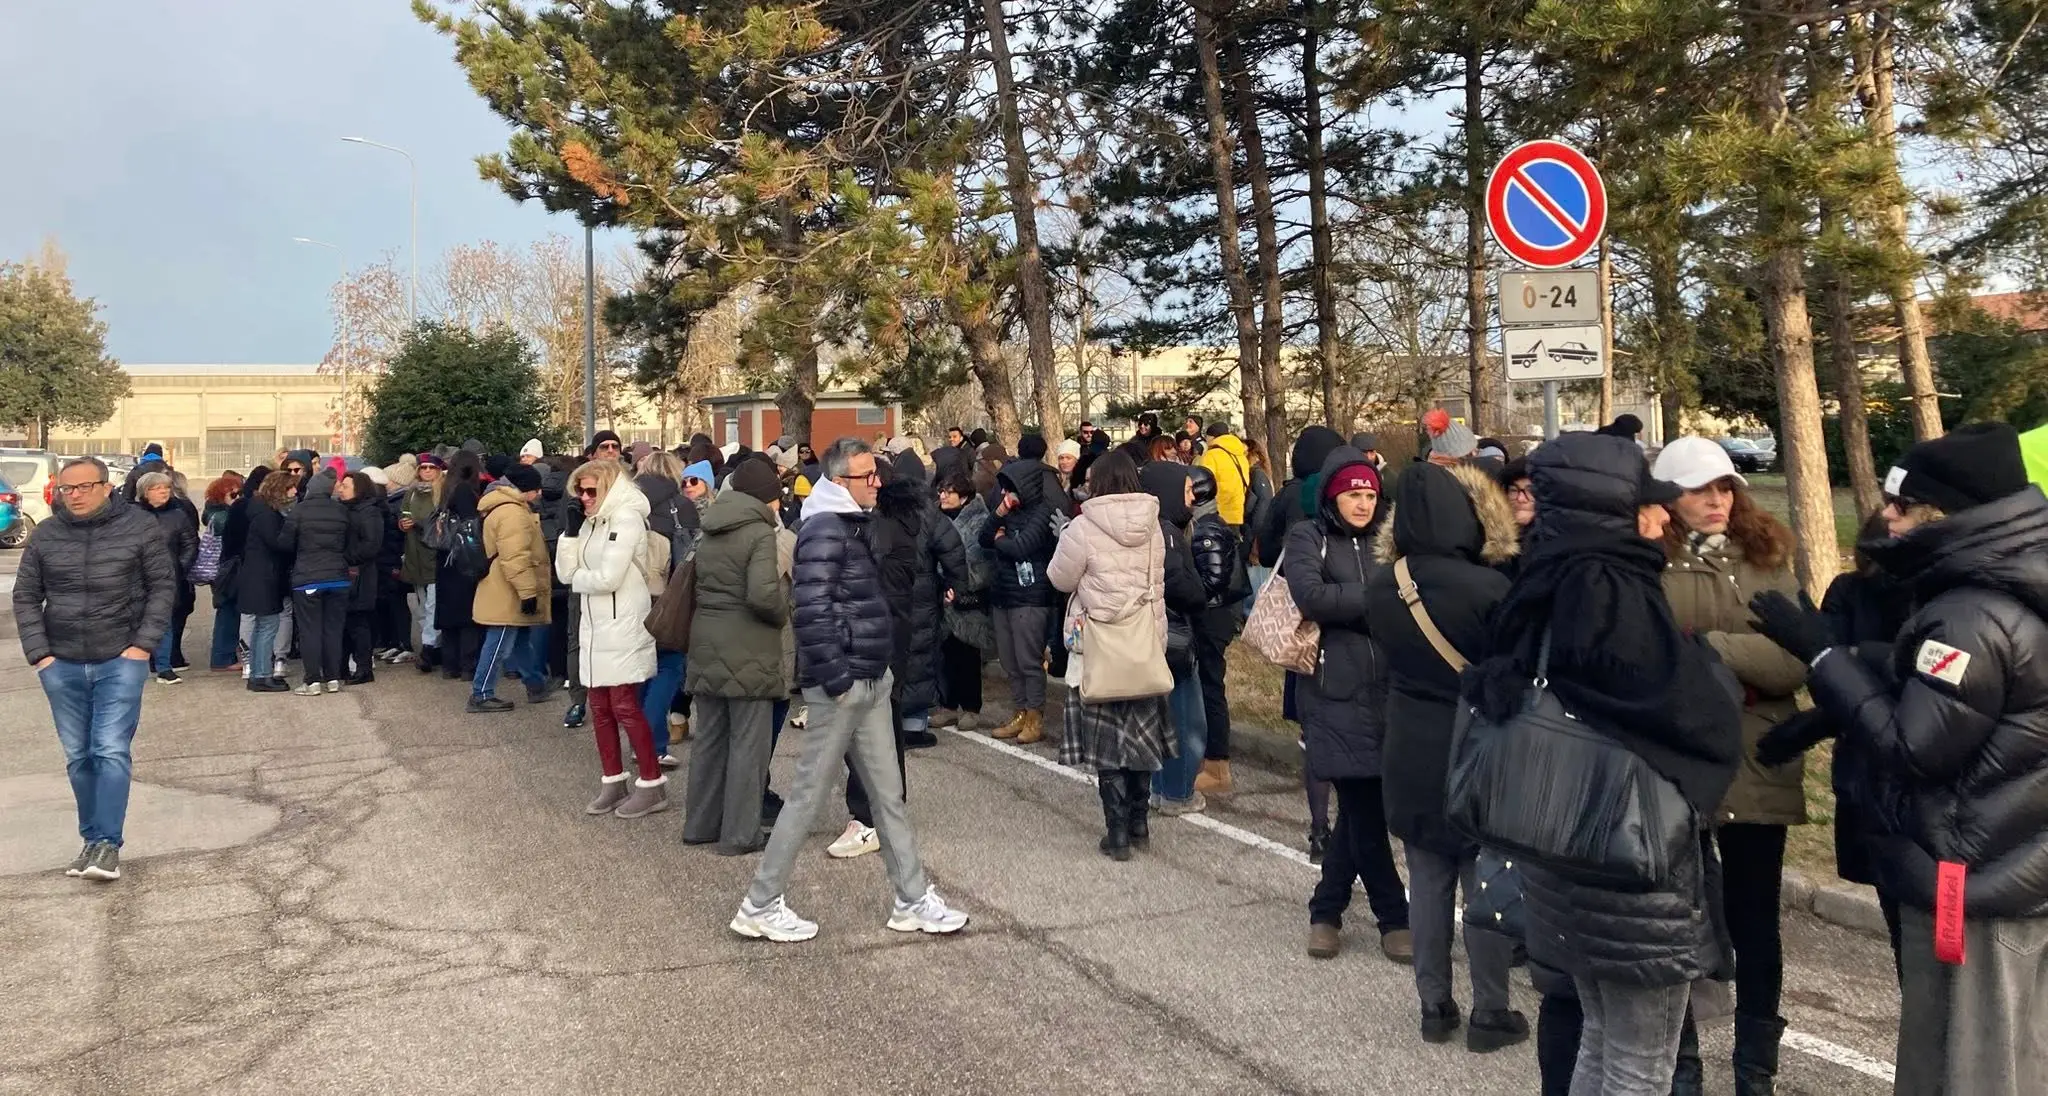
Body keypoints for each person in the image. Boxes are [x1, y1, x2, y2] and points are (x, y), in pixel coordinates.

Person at [1751, 423, 2048, 1096]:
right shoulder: (2003, 588)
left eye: (1901, 506)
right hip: (2007, 862)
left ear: (1947, 513)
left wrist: (1823, 656)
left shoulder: (1972, 614)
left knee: (1975, 1066)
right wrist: (1864, 667)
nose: (1884, 516)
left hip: (1974, 877)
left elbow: (1913, 746)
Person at [1466, 431, 1740, 1096]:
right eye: (1648, 502)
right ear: (1615, 509)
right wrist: (1710, 670)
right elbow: (1695, 717)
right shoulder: (1615, 590)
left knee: (1601, 1038)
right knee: (1642, 1063)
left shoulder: (1543, 577)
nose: (1662, 515)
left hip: (1561, 848)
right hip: (1630, 860)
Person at [730, 439, 970, 942]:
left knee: (888, 798)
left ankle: (911, 898)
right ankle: (760, 902)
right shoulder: (824, 529)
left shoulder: (850, 524)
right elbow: (811, 609)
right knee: (806, 798)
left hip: (872, 680)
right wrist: (838, 680)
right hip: (844, 686)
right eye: (867, 476)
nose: (877, 482)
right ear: (841, 482)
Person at [1651, 435, 1808, 1093]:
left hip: (1757, 757)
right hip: (1679, 758)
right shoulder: (1649, 562)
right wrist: (1724, 662)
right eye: (1696, 491)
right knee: (1677, 918)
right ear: (1668, 499)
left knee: (1754, 922)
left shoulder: (1768, 554)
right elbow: (1653, 660)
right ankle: (1681, 1062)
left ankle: (1755, 1067)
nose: (1714, 502)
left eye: (1721, 488)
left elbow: (1794, 659)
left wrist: (1713, 648)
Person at [1366, 460, 1526, 1052]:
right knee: (1484, 883)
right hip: (1477, 741)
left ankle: (1434, 1005)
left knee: (1426, 884)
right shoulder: (1491, 588)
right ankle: (1492, 1011)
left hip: (1408, 741)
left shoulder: (1382, 586)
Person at [16, 458, 177, 882]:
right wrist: (40, 655)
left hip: (119, 659)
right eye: (68, 489)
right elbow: (26, 597)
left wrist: (142, 646)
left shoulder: (138, 527)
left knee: (108, 749)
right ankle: (90, 840)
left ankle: (108, 845)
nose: (76, 494)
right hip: (61, 662)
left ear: (107, 487)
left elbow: (163, 586)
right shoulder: (47, 534)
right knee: (78, 756)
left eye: (85, 486)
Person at [1290, 446, 1413, 965]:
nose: (1362, 504)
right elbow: (1311, 597)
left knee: (1365, 811)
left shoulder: (1392, 540)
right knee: (1363, 807)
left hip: (1390, 689)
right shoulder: (1309, 537)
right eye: (1351, 495)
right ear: (1332, 497)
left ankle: (1326, 909)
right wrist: (1377, 600)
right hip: (1332, 690)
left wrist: (1358, 600)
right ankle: (1395, 918)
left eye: (1368, 494)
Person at [1047, 451, 1170, 858]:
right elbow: (1158, 582)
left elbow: (1060, 578)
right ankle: (1139, 823)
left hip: (1099, 644)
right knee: (1140, 734)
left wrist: (1064, 535)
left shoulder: (1082, 527)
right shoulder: (1153, 526)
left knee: (1107, 741)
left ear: (1096, 483)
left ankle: (1116, 833)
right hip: (1144, 640)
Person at [683, 458, 787, 855]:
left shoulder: (710, 527)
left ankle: (700, 824)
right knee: (748, 742)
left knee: (709, 737)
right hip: (748, 644)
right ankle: (740, 834)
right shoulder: (759, 533)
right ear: (766, 498)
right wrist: (782, 612)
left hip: (706, 637)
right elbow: (762, 595)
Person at [555, 458, 670, 818]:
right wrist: (570, 535)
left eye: (591, 491)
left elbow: (608, 577)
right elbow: (564, 571)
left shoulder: (626, 517)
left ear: (607, 488)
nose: (584, 498)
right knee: (600, 707)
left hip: (622, 623)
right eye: (579, 491)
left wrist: (577, 577)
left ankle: (651, 782)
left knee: (624, 705)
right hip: (595, 624)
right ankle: (613, 780)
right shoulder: (590, 521)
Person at [1258, 424, 1346, 859]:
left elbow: (1265, 537)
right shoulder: (1352, 492)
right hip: (1347, 620)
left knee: (1314, 728)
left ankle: (1318, 828)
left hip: (1301, 618)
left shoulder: (1291, 496)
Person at [982, 455, 1060, 743]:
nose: (1004, 494)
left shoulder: (1043, 512)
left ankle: (1034, 716)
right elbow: (983, 538)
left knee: (1029, 660)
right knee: (1009, 660)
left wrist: (1000, 540)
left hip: (1031, 594)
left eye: (1009, 488)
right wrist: (999, 515)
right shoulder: (1007, 511)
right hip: (1004, 592)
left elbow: (1021, 547)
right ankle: (1019, 711)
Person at [468, 463, 552, 713]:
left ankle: (535, 684)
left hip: (501, 584)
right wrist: (528, 593)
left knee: (520, 638)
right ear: (525, 489)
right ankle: (481, 693)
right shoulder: (513, 513)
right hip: (508, 588)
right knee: (500, 640)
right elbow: (515, 557)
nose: (538, 494)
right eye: (536, 489)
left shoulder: (497, 506)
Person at [1187, 466, 1250, 797]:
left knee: (1211, 686)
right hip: (1214, 614)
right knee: (1204, 684)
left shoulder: (1207, 529)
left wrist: (1184, 589)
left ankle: (1217, 765)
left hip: (1213, 617)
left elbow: (1212, 581)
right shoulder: (1203, 524)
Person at [637, 450, 696, 763]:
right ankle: (652, 745)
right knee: (669, 665)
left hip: (629, 595)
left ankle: (641, 738)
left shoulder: (626, 501)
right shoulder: (682, 506)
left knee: (639, 669)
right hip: (667, 595)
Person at [282, 471, 354, 695]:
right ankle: (332, 678)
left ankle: (312, 681)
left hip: (308, 578)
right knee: (333, 629)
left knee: (310, 630)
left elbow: (285, 543)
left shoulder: (299, 511)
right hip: (339, 578)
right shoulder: (342, 510)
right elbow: (350, 544)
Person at [933, 467, 994, 733]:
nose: (944, 496)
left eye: (949, 492)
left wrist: (961, 584)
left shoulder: (980, 521)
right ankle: (948, 705)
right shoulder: (937, 519)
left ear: (965, 496)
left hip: (969, 599)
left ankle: (971, 708)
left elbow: (984, 564)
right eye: (941, 491)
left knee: (968, 655)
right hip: (942, 594)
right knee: (945, 655)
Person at [132, 472, 198, 685]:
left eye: (166, 488)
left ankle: (164, 667)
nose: (163, 492)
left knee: (165, 622)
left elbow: (190, 544)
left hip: (167, 577)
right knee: (136, 623)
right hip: (136, 577)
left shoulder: (178, 515)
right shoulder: (132, 515)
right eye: (157, 488)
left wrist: (180, 566)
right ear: (145, 492)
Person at [239, 470, 295, 692]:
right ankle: (261, 675)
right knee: (267, 626)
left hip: (260, 576)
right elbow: (278, 543)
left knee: (264, 626)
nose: (294, 491)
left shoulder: (260, 511)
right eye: (290, 487)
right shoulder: (268, 516)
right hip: (264, 577)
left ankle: (260, 673)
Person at [434, 451, 487, 680]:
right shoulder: (465, 490)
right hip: (462, 556)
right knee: (466, 614)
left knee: (448, 613)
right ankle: (468, 664)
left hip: (445, 557)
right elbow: (470, 524)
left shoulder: (447, 487)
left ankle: (450, 664)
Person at [337, 472, 386, 685]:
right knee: (345, 623)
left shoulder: (369, 512)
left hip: (361, 575)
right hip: (347, 573)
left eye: (345, 486)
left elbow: (371, 545)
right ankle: (342, 668)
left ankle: (363, 668)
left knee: (359, 623)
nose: (340, 489)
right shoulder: (345, 509)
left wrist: (345, 557)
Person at [398, 453, 446, 670]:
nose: (426, 471)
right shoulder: (412, 492)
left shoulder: (442, 492)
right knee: (420, 605)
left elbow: (440, 523)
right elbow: (403, 513)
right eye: (423, 467)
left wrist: (417, 523)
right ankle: (432, 646)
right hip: (414, 552)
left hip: (435, 553)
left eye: (431, 467)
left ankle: (429, 647)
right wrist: (403, 523)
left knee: (433, 604)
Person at [202, 473, 246, 673]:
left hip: (221, 569)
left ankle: (224, 655)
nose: (238, 497)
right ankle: (222, 657)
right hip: (227, 569)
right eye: (234, 494)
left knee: (227, 611)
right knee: (228, 612)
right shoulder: (222, 516)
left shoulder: (212, 513)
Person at [1196, 420, 1252, 531]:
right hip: (1237, 513)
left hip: (1217, 513)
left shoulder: (1211, 455)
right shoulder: (1240, 456)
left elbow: (1203, 484)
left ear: (1211, 437)